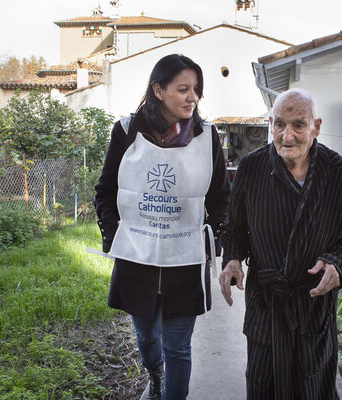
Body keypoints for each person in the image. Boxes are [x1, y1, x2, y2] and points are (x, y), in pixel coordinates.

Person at [94, 54, 230, 400]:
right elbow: (105, 191)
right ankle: (155, 375)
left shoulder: (207, 138)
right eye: (182, 89)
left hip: (184, 263)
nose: (192, 97)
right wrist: (114, 237)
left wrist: (208, 242)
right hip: (137, 259)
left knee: (178, 346)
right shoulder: (126, 131)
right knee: (147, 338)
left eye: (196, 89)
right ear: (158, 90)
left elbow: (220, 199)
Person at [219, 88, 342, 399]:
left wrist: (337, 264)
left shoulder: (335, 171)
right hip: (266, 303)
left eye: (299, 125)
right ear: (271, 124)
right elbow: (234, 228)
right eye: (279, 125)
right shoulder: (252, 168)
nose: (288, 135)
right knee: (263, 385)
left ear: (316, 126)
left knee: (313, 387)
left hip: (312, 304)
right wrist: (232, 259)